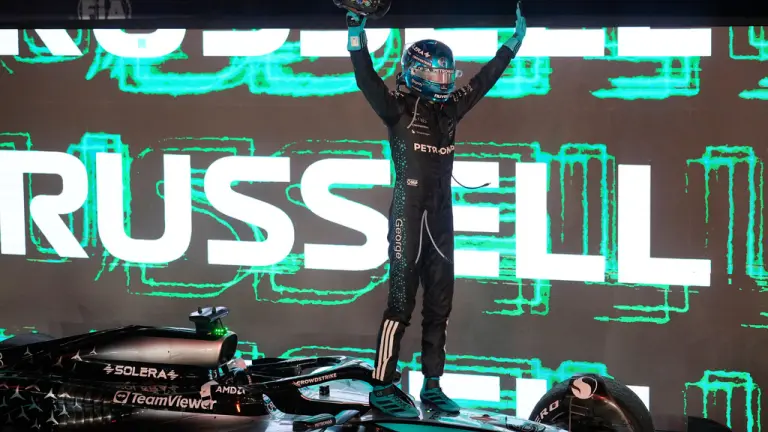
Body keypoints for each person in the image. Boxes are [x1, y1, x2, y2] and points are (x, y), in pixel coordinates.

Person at [346, 4, 527, 418]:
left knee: (440, 306)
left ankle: (432, 385)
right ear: (416, 74)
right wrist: (356, 34)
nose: (445, 84)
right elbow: (365, 76)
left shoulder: (450, 110)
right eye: (437, 76)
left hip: (442, 220)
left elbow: (484, 80)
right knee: (399, 305)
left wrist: (512, 46)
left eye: (448, 77)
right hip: (407, 218)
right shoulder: (396, 108)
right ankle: (381, 386)